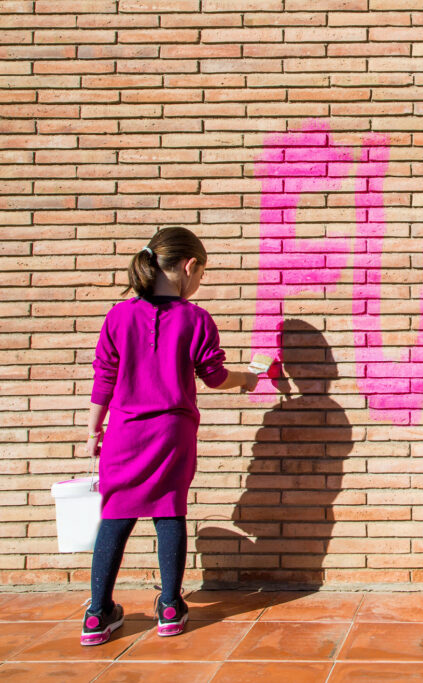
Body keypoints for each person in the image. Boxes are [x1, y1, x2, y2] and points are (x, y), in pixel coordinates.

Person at [80, 226, 259, 646]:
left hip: (123, 433)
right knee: (169, 512)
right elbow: (213, 376)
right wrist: (247, 380)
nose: (198, 284)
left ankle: (96, 613)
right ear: (189, 265)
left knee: (115, 515)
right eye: (201, 275)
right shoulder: (196, 319)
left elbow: (104, 376)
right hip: (173, 433)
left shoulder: (117, 316)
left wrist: (93, 429)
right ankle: (171, 608)